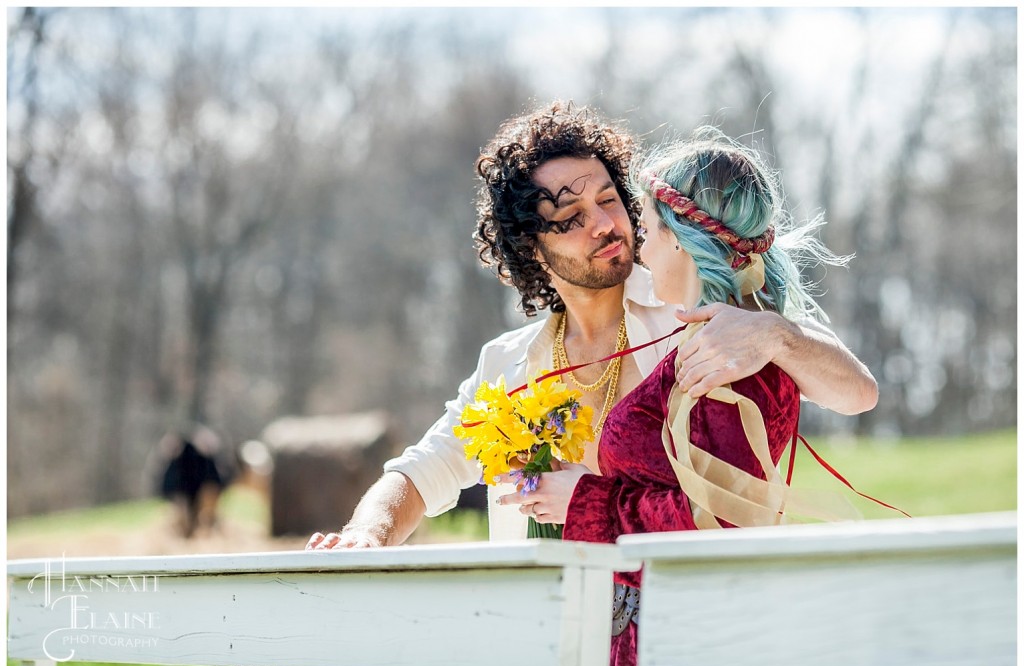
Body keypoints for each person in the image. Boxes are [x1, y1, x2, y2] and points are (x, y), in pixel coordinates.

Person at [305, 101, 877, 551]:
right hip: (546, 646)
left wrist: (777, 334)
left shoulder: (695, 306)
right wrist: (366, 533)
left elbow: (856, 393)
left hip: (677, 636)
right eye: (572, 219)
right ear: (532, 248)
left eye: (609, 199)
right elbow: (422, 472)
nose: (606, 224)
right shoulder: (507, 364)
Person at [496, 126, 857, 666]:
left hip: (697, 643)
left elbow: (719, 525)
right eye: (569, 218)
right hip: (655, 632)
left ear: (684, 242)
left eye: (652, 228)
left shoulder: (732, 353)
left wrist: (584, 504)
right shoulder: (704, 340)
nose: (641, 245)